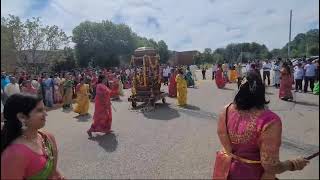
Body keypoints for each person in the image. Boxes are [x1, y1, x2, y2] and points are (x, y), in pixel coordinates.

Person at [213, 71, 309, 180]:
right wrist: (293, 164)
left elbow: (226, 145)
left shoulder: (225, 110)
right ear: (261, 90)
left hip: (225, 170)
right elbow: (270, 166)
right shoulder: (269, 121)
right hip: (252, 174)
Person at [1, 94, 64, 179]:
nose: (46, 114)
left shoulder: (47, 137)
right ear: (22, 117)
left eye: (44, 109)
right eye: (39, 110)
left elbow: (54, 171)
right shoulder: (14, 154)